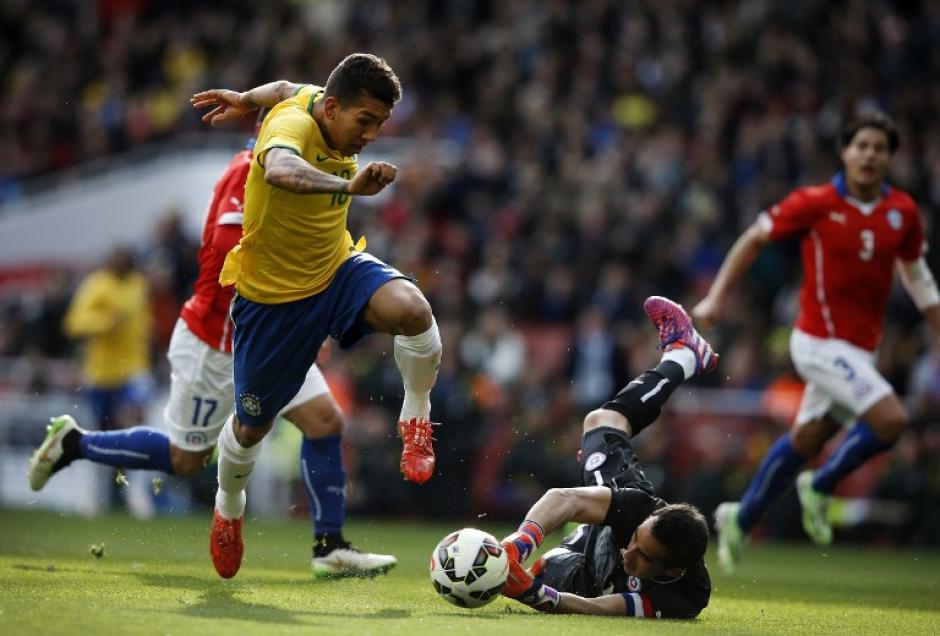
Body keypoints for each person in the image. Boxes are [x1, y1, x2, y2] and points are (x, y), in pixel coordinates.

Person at [28, 105, 396, 579]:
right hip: (219, 345)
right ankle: (75, 443)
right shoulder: (247, 172)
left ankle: (330, 546)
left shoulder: (311, 169)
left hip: (274, 336)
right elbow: (227, 249)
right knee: (186, 459)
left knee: (325, 421)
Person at [191, 53, 443, 579]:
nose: (371, 135)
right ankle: (228, 510)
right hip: (273, 302)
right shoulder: (291, 126)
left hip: (335, 270)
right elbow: (282, 170)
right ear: (331, 109)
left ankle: (415, 418)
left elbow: (282, 83)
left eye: (379, 124)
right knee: (250, 429)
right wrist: (348, 187)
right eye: (365, 121)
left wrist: (243, 98)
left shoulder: (305, 95)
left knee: (415, 312)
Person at [692, 112, 940, 573]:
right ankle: (821, 485)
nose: (869, 155)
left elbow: (919, 279)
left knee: (805, 439)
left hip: (860, 350)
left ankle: (740, 518)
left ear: (889, 158)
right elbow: (754, 237)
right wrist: (716, 296)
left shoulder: (901, 211)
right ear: (845, 152)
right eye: (861, 145)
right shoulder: (815, 202)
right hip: (816, 342)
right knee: (892, 421)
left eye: (879, 148)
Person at [497, 296, 716, 619]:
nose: (629, 552)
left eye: (643, 556)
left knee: (542, 573)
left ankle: (685, 354)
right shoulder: (641, 510)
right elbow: (564, 499)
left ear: (670, 571)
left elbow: (598, 607)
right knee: (601, 422)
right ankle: (684, 354)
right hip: (606, 528)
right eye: (635, 540)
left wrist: (535, 595)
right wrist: (520, 543)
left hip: (588, 581)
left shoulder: (685, 596)